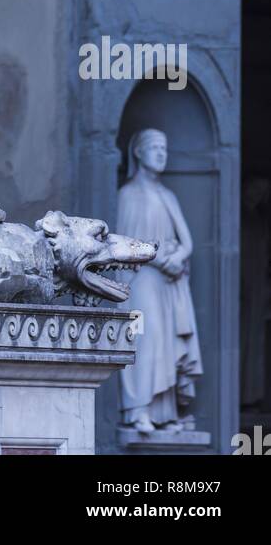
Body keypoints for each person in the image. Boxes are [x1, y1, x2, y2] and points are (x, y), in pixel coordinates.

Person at [117, 129, 203, 433]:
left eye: (164, 148)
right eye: (154, 147)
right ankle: (138, 409)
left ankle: (163, 414)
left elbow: (187, 240)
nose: (161, 153)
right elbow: (124, 243)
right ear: (138, 152)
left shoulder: (168, 196)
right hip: (143, 279)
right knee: (147, 339)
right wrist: (159, 259)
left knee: (167, 343)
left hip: (170, 281)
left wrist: (178, 257)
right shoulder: (128, 194)